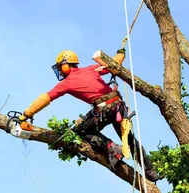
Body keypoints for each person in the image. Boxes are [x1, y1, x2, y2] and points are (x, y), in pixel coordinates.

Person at [17, 49, 160, 182]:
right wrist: (121, 53)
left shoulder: (67, 83)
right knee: (129, 139)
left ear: (66, 64)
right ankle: (150, 171)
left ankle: (112, 148)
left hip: (105, 110)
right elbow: (113, 62)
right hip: (118, 106)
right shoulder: (91, 69)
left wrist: (26, 114)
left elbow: (46, 98)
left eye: (60, 67)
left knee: (80, 131)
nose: (60, 72)